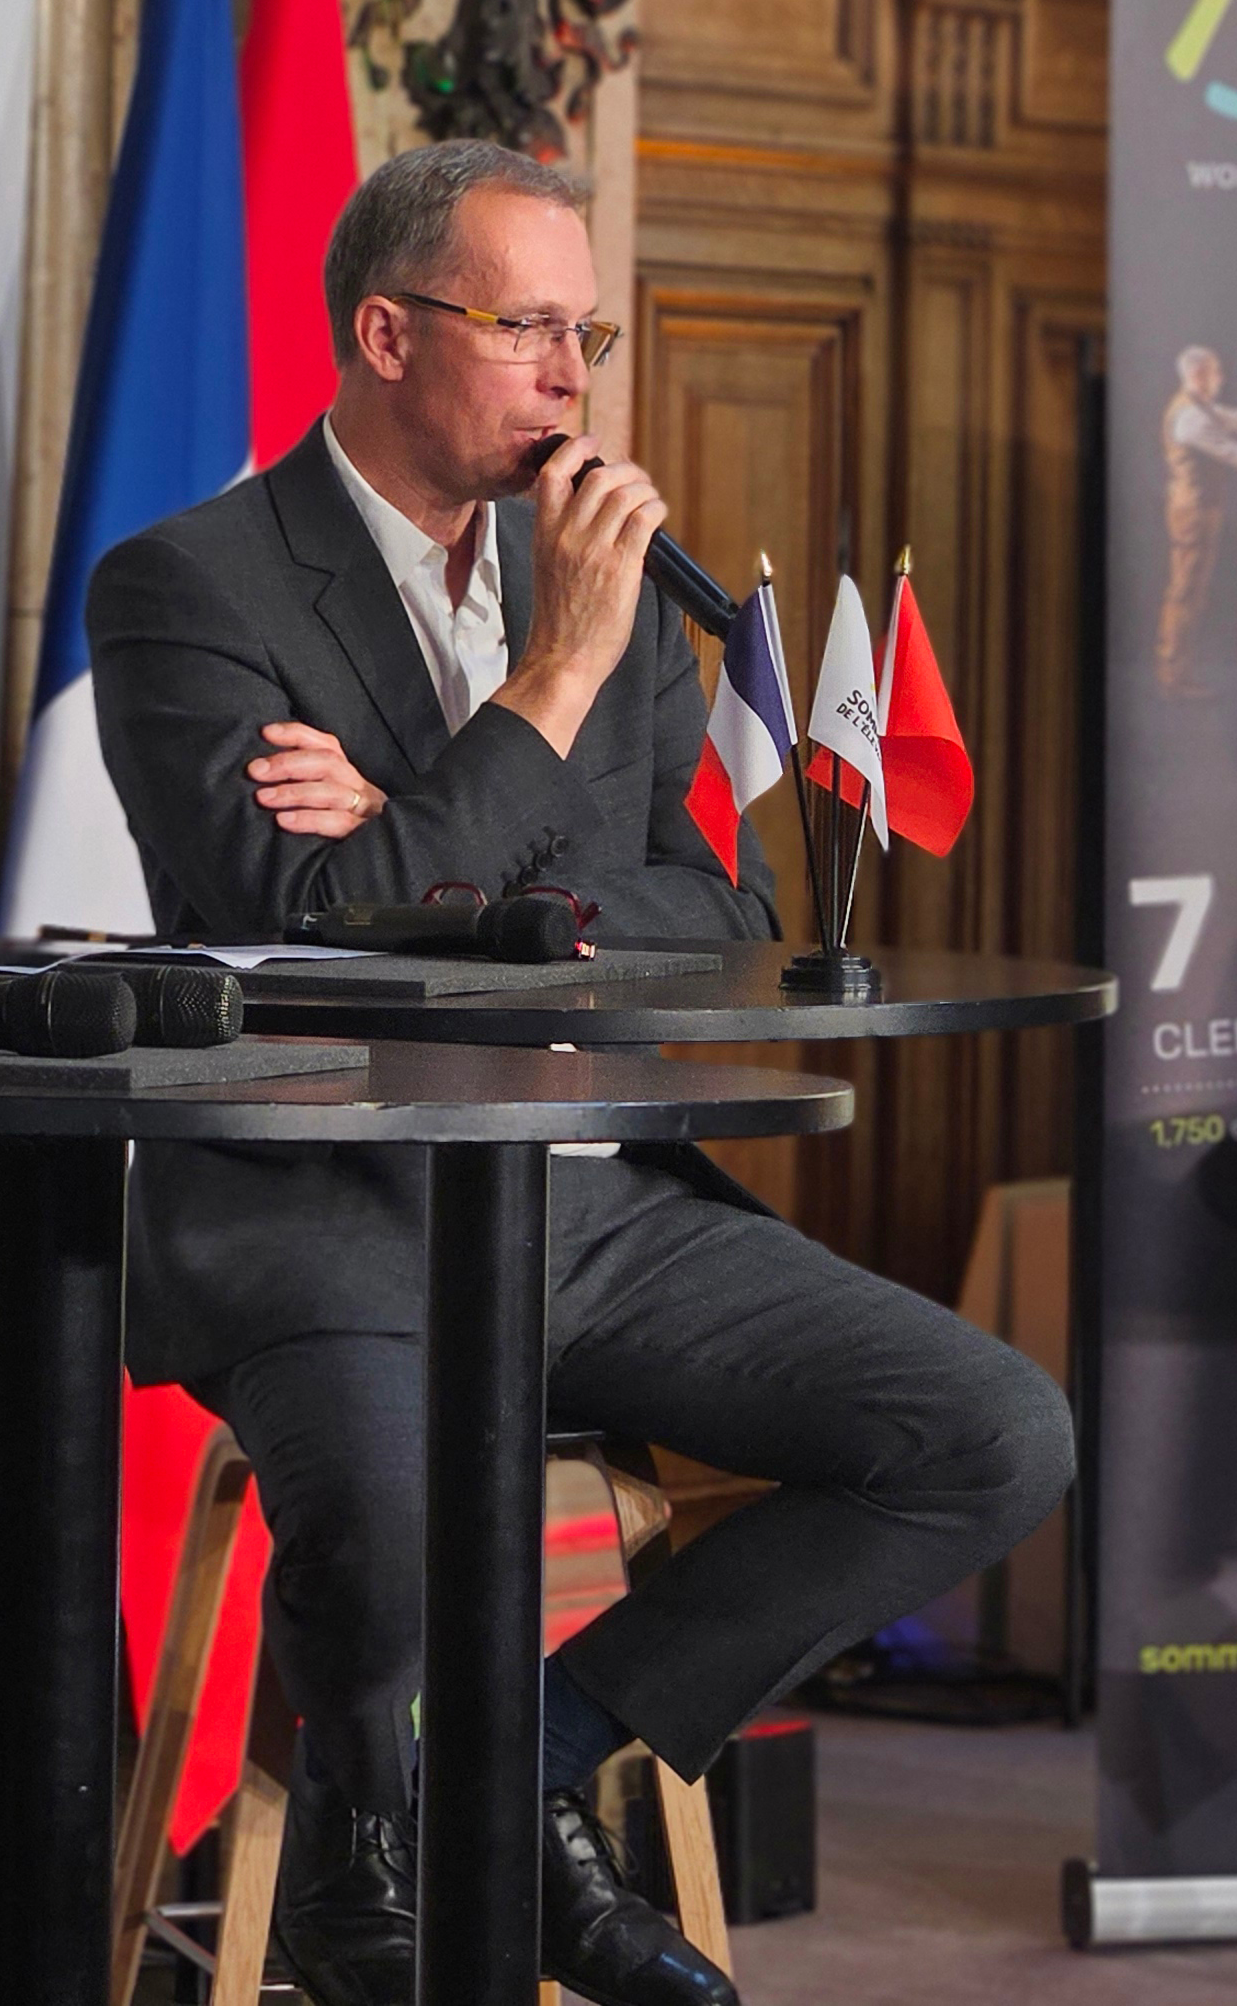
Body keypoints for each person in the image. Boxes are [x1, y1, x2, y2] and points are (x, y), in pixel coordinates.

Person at [85, 140, 1074, 2006]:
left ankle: (510, 1774)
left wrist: (426, 849)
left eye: (586, 333)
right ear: (386, 333)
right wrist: (543, 691)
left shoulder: (601, 588)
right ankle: (366, 1872)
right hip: (325, 1197)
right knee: (395, 1519)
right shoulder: (191, 586)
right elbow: (301, 917)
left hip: (580, 1191)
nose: (570, 377)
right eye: (526, 326)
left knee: (989, 1431)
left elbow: (724, 910)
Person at [1158, 343, 1237, 694]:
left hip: (1198, 509)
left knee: (1192, 591)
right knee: (1186, 592)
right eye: (1215, 372)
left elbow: (1236, 419)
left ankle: (1177, 672)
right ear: (1198, 374)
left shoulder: (1199, 406)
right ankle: (1174, 675)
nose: (1221, 378)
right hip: (1194, 512)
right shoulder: (1190, 417)